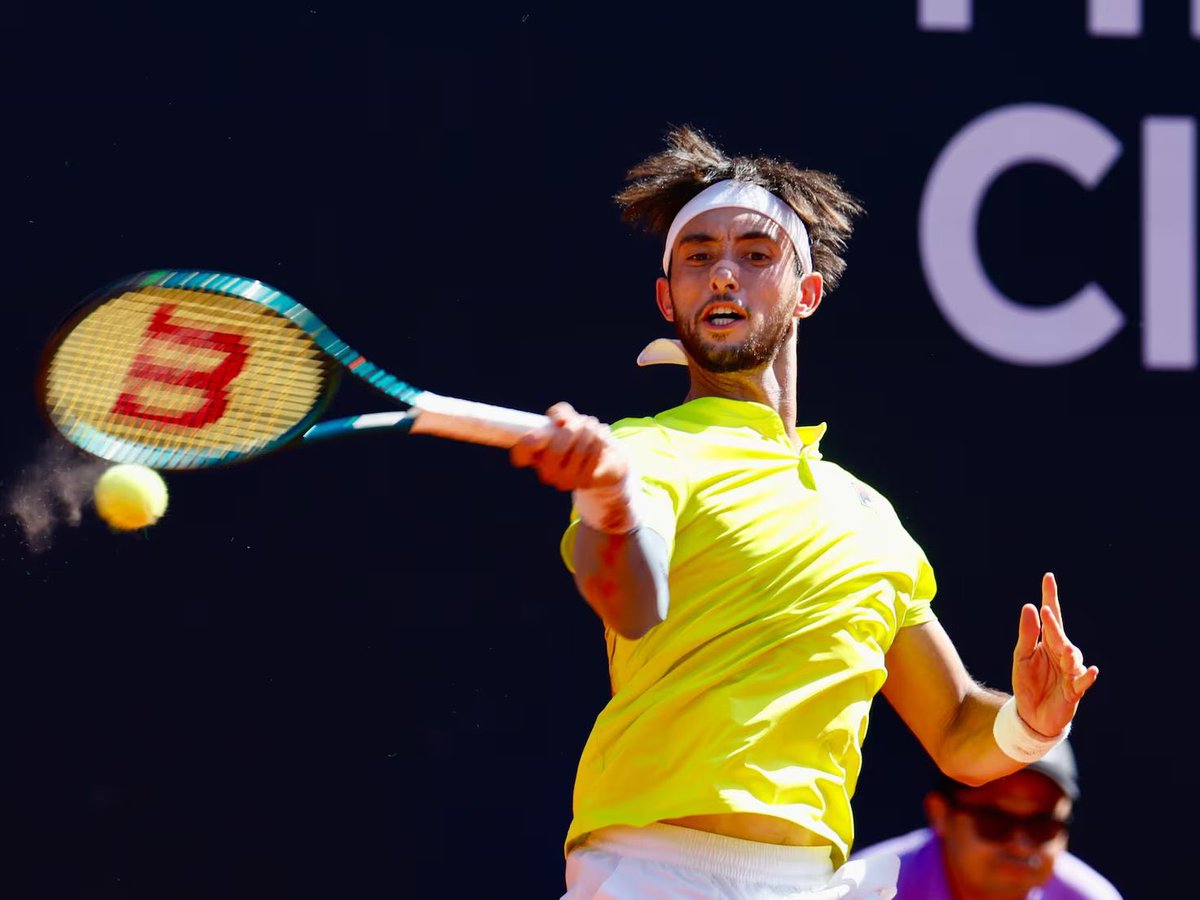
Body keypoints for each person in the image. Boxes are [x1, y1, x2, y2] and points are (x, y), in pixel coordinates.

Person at [510, 125, 1100, 899]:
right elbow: (633, 601)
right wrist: (609, 506)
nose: (724, 274)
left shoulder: (867, 516)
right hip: (650, 872)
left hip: (809, 882)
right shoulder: (646, 455)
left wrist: (1030, 721)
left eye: (756, 255)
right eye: (698, 257)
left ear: (806, 293)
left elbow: (959, 731)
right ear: (668, 297)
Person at [851, 738, 1121, 899]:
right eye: (995, 822)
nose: (1020, 845)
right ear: (940, 814)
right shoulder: (864, 891)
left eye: (1043, 827)